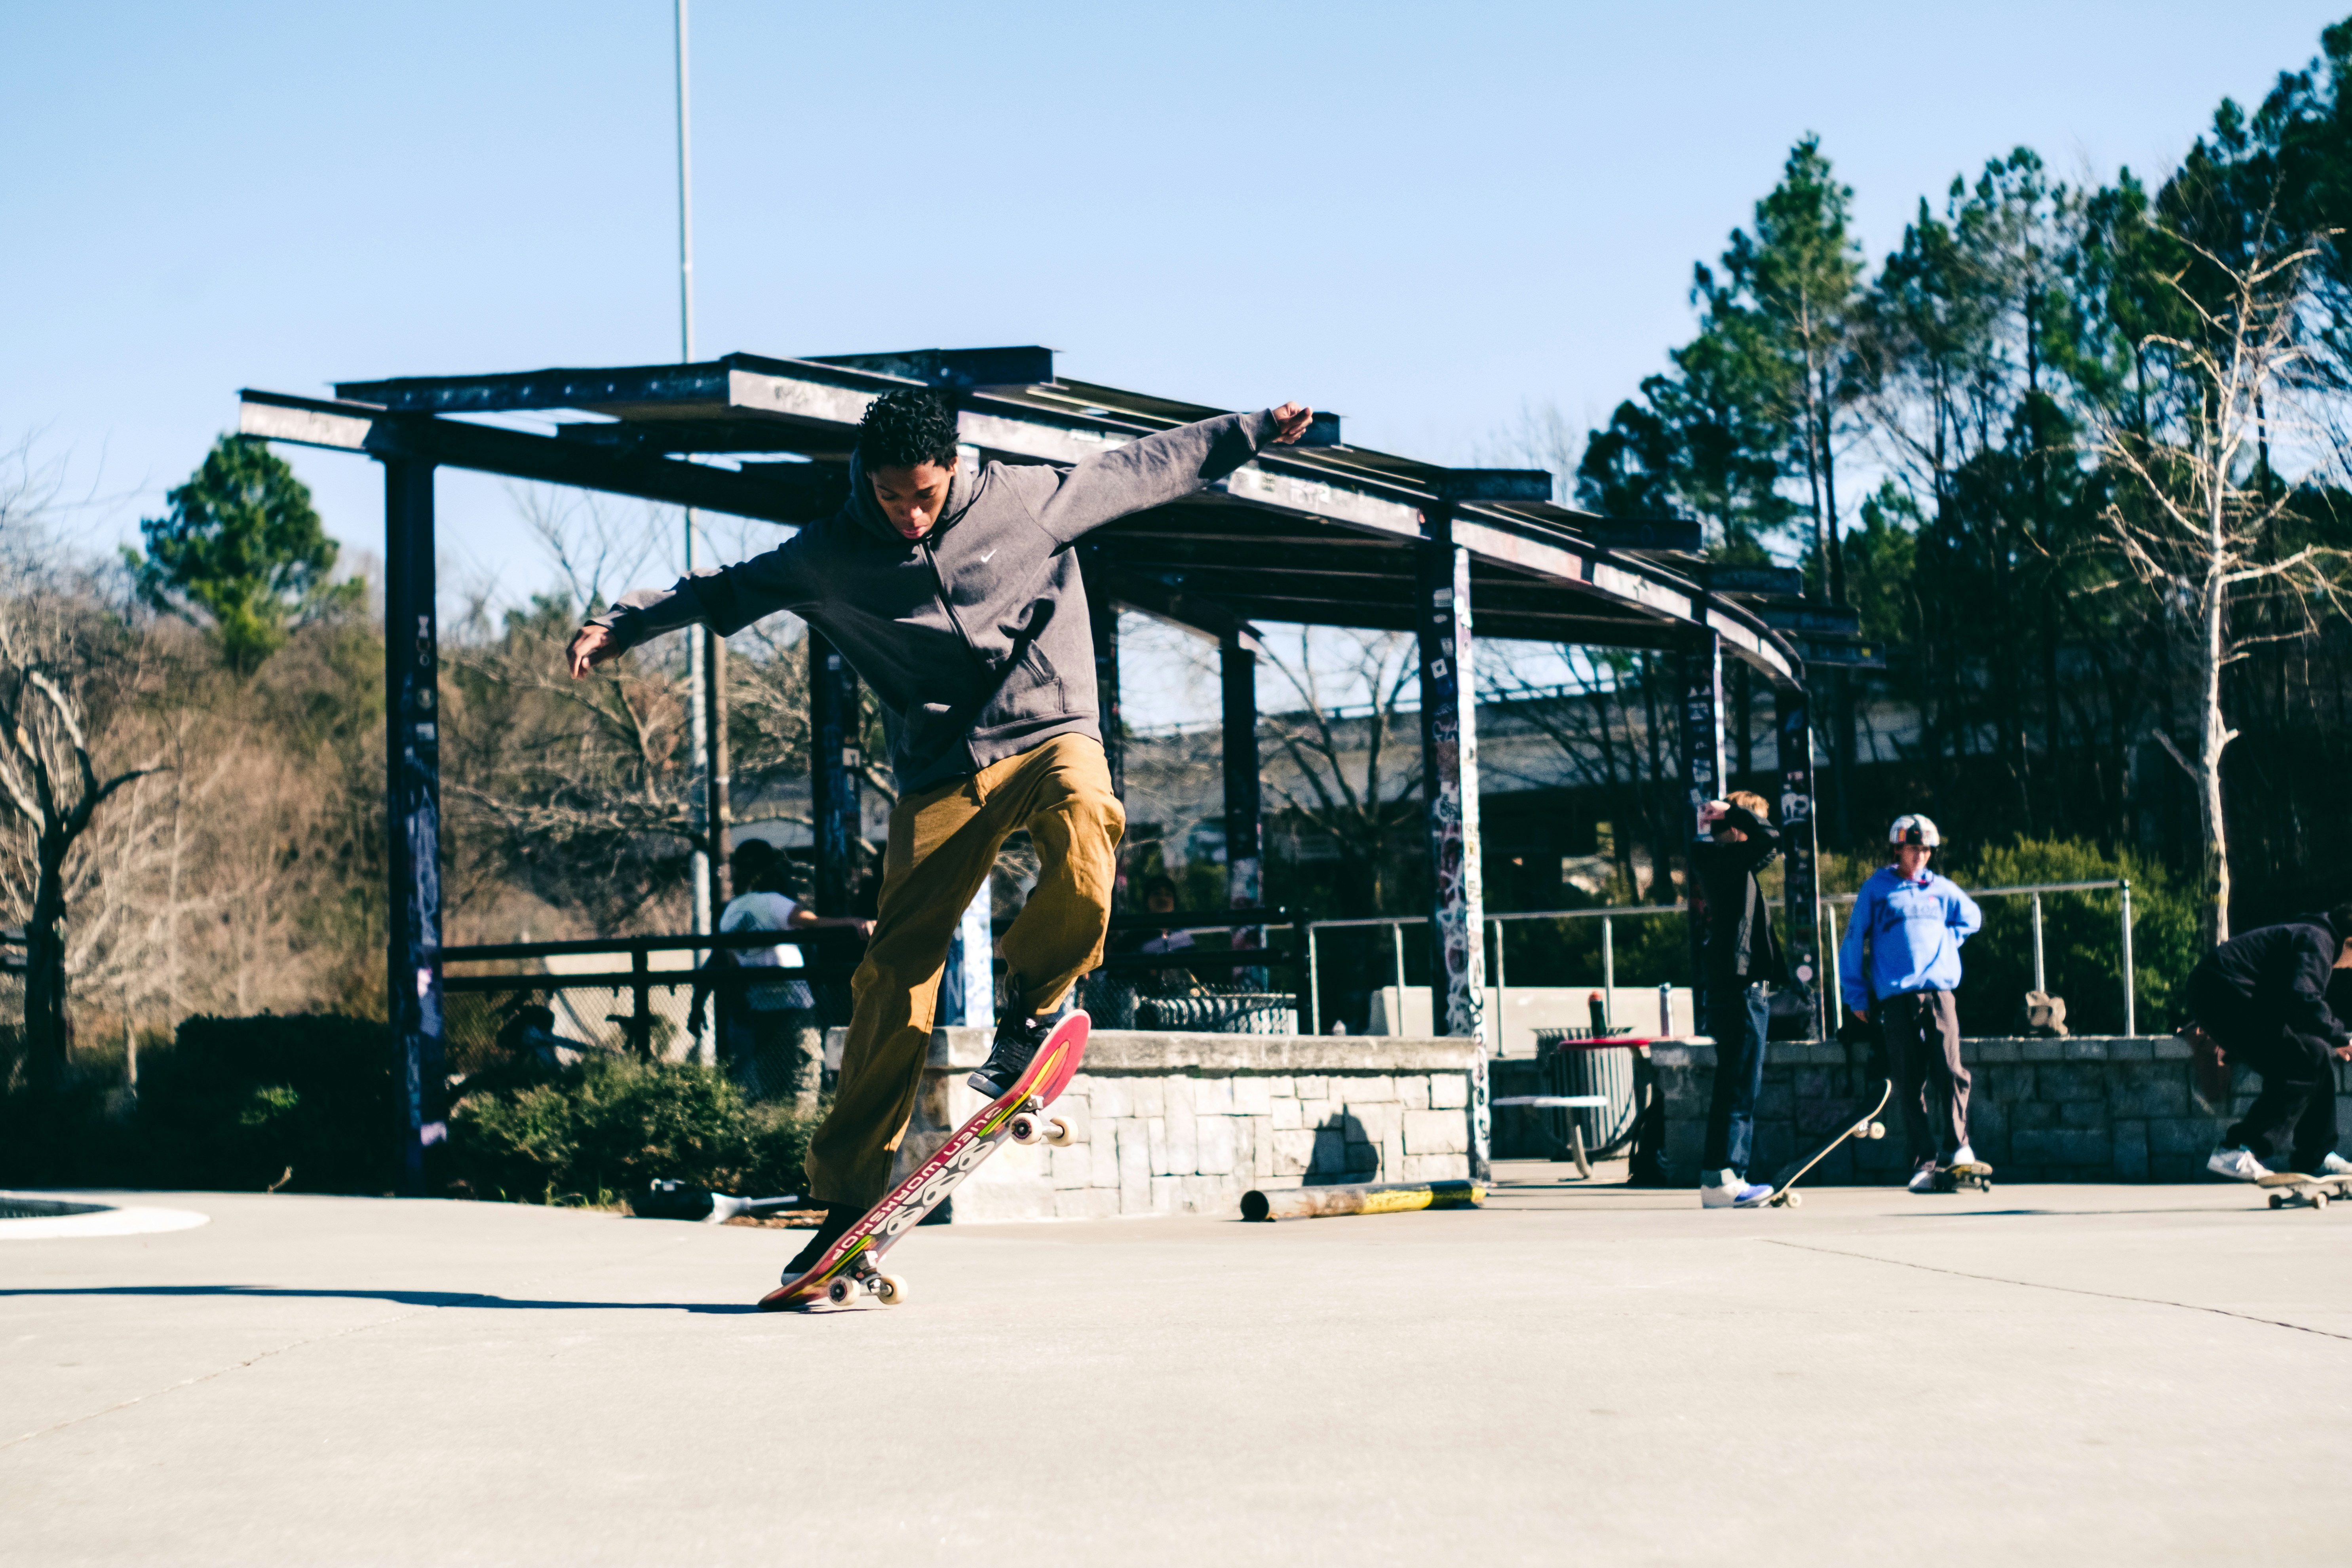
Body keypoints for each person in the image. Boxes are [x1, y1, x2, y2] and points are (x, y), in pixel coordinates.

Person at [569, 386, 1314, 1277]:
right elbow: (725, 588)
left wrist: (1250, 432)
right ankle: (844, 1197)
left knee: (1088, 823)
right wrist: (622, 621)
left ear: (954, 466)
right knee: (896, 973)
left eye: (925, 494)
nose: (910, 514)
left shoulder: (1026, 498)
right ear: (867, 479)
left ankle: (1033, 1010)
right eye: (892, 497)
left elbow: (1142, 469)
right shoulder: (832, 553)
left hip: (1048, 728)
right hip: (940, 771)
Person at [1838, 814, 1984, 1194]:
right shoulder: (1877, 888)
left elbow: (1972, 917)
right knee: (1908, 1078)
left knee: (1950, 1069)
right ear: (1897, 849)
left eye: (1924, 849)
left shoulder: (1943, 889)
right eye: (1911, 848)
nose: (1918, 855)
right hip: (1896, 998)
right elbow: (1853, 941)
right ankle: (1923, 1162)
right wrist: (1855, 994)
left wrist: (1949, 942)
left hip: (1938, 992)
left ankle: (1959, 1147)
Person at [691, 841, 872, 1108]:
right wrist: (855, 922)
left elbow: (731, 962)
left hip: (759, 1004)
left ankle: (772, 1129)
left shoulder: (730, 912)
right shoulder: (775, 904)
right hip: (793, 1002)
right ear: (771, 869)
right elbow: (814, 923)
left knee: (772, 1080)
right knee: (805, 1070)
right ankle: (800, 1135)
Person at [2185, 904, 2352, 1180]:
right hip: (2225, 994)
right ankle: (2236, 1149)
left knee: (2314, 1054)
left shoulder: (2310, 934)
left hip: (2225, 994)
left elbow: (2293, 1000)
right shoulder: (2318, 940)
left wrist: (2328, 1035)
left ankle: (2316, 1154)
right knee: (2304, 1059)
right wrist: (2340, 1035)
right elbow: (2304, 997)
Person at [1690, 791, 1783, 1208]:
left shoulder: (1723, 860)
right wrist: (1735, 813)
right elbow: (1768, 838)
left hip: (1737, 987)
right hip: (1739, 989)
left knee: (1739, 1081)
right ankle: (1723, 1176)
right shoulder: (1723, 859)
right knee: (1738, 1083)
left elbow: (1764, 847)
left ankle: (1726, 1175)